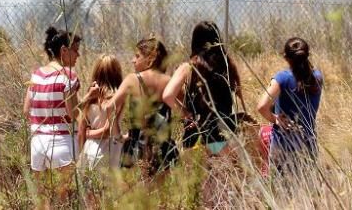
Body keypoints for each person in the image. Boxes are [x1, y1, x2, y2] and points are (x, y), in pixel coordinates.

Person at [24, 26, 96, 181]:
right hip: (62, 145)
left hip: (37, 144)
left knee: (42, 201)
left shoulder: (35, 76)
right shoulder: (68, 77)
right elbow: (73, 113)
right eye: (75, 50)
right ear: (64, 50)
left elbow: (26, 110)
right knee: (64, 199)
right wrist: (90, 99)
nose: (78, 55)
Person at [163, 21, 243, 155]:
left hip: (195, 136)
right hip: (224, 133)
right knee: (224, 175)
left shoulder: (188, 67)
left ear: (195, 42)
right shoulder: (228, 65)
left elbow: (167, 96)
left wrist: (185, 113)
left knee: (198, 175)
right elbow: (239, 96)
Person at [103, 36, 176, 174]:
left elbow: (109, 107)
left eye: (137, 56)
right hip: (163, 148)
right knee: (159, 194)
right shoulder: (169, 81)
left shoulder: (132, 79)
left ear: (150, 58)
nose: (133, 60)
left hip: (136, 148)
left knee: (136, 193)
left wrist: (118, 135)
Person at [256, 37, 324, 175]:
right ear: (307, 55)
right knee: (305, 189)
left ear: (286, 58)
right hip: (308, 143)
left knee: (280, 189)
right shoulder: (317, 77)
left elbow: (262, 106)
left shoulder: (282, 78)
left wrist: (275, 118)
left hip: (283, 144)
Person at [77, 54, 124, 171]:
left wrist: (86, 133)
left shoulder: (91, 95)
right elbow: (107, 131)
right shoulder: (117, 97)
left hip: (88, 150)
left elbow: (81, 129)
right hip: (108, 151)